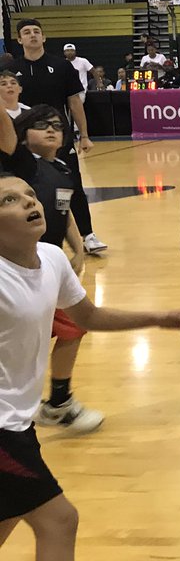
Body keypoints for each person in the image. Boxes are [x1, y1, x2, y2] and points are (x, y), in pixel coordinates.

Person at [0, 171, 180, 561]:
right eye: (8, 200)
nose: (29, 202)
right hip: (3, 428)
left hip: (18, 421)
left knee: (9, 517)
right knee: (59, 520)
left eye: (29, 194)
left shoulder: (52, 258)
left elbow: (88, 316)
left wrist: (157, 318)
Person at [0, 106, 97, 433]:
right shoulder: (23, 167)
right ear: (23, 136)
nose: (52, 130)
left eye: (57, 125)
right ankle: (54, 403)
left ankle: (57, 400)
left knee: (74, 328)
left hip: (46, 271)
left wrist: (78, 247)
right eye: (41, 126)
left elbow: (64, 211)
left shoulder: (63, 169)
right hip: (19, 272)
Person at [10, 19, 106, 255]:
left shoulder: (61, 66)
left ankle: (87, 235)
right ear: (19, 39)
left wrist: (84, 135)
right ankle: (29, 240)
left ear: (43, 37)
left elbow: (74, 102)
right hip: (23, 141)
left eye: (36, 31)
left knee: (72, 185)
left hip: (58, 138)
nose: (32, 35)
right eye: (26, 32)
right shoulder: (12, 70)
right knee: (25, 190)